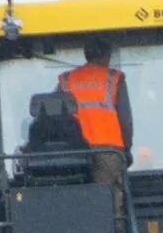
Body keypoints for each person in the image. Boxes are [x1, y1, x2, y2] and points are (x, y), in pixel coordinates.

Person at [56, 38, 134, 183]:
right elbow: (125, 120)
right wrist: (127, 149)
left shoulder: (66, 80)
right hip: (108, 150)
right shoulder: (114, 78)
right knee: (110, 196)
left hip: (73, 152)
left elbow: (54, 116)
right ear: (107, 56)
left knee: (78, 193)